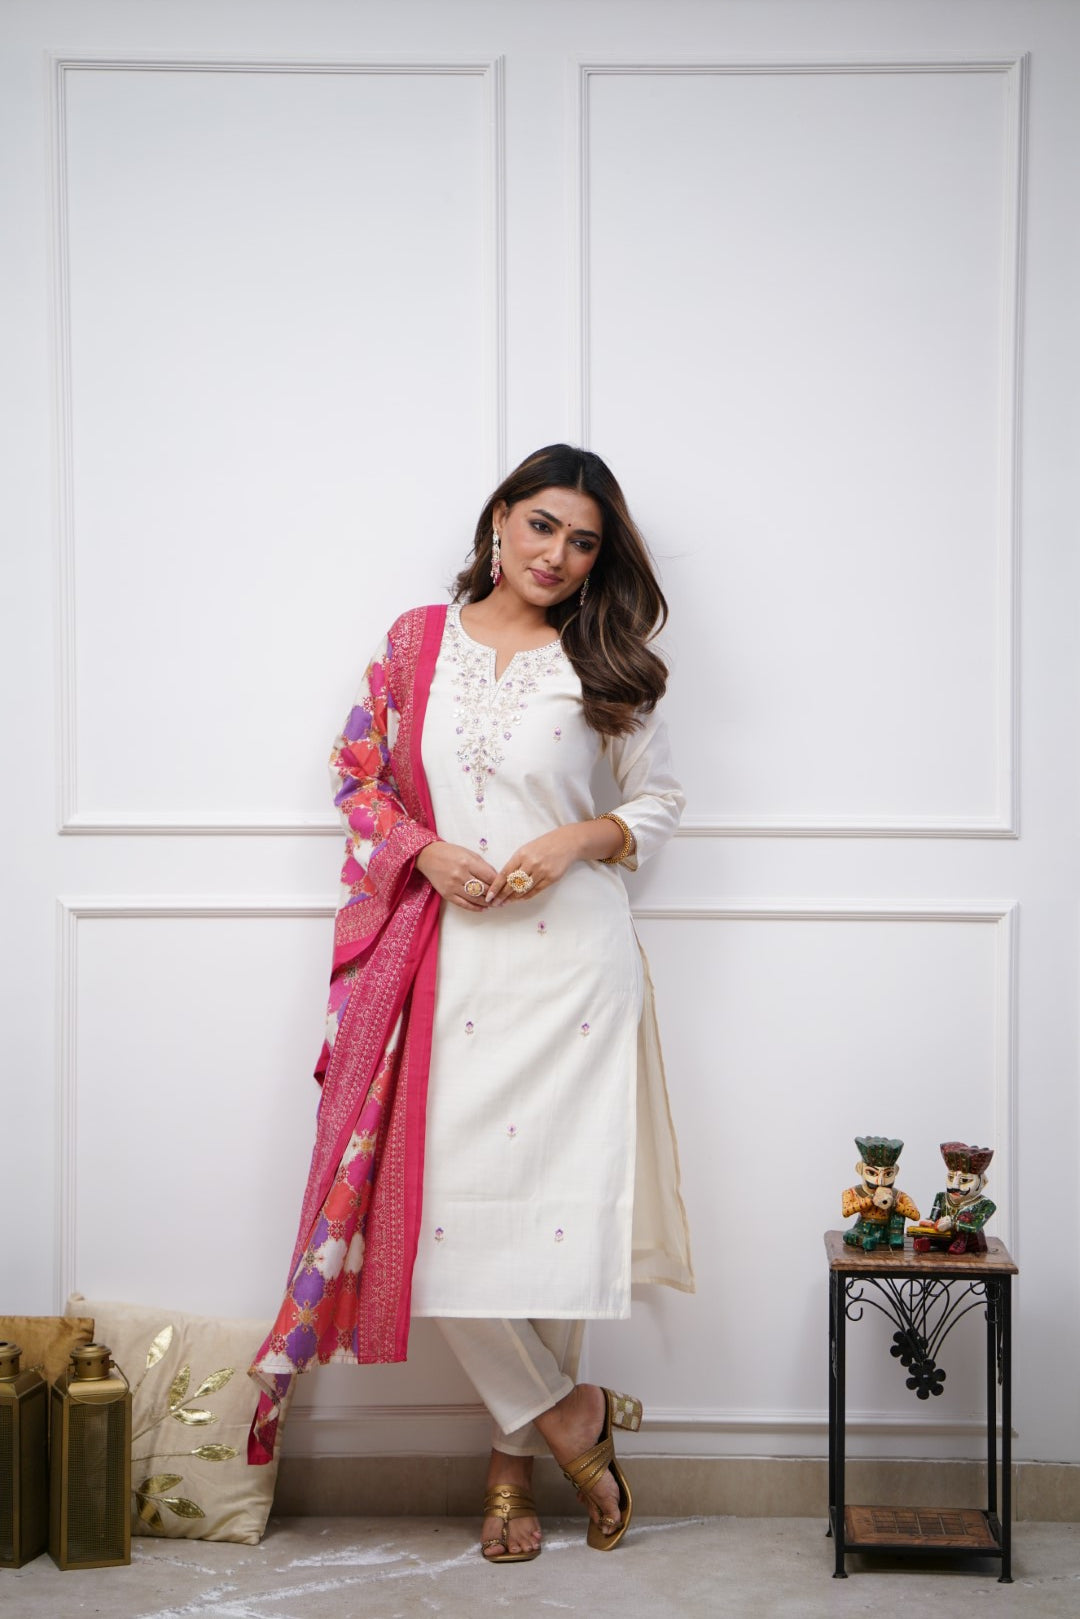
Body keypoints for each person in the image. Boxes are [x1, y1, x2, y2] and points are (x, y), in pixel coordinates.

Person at [249, 443, 693, 1561]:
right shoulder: (417, 643)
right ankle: (569, 1415)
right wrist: (424, 850)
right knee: (423, 1215)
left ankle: (511, 1469)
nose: (558, 554)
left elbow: (658, 801)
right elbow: (356, 772)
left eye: (583, 541)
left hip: (573, 967)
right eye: (542, 524)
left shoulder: (603, 659)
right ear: (499, 518)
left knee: (554, 1224)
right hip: (446, 960)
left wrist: (579, 836)